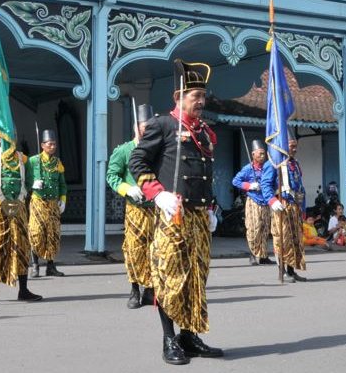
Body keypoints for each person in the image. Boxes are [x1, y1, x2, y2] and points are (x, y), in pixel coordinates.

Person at [129, 59, 223, 365]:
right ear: (178, 97)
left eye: (203, 96)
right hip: (173, 215)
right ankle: (169, 339)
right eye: (195, 96)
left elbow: (205, 174)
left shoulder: (205, 132)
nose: (201, 102)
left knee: (196, 277)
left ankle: (188, 335)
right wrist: (158, 195)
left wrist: (210, 207)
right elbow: (138, 163)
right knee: (170, 277)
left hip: (198, 218)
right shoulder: (162, 125)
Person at [0, 139, 42, 303]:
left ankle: (23, 290)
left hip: (18, 207)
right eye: (5, 136)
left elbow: (30, 180)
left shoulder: (23, 159)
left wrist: (35, 184)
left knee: (22, 247)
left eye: (12, 137)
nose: (10, 140)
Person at [106, 103, 156, 309]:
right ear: (136, 127)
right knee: (134, 249)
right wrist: (127, 188)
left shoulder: (158, 150)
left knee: (156, 250)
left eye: (150, 127)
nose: (147, 130)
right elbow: (111, 175)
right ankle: (135, 290)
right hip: (135, 208)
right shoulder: (124, 150)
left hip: (155, 208)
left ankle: (151, 290)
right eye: (144, 126)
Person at [262, 137, 307, 283]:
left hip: (295, 206)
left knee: (295, 240)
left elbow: (300, 186)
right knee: (282, 239)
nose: (294, 149)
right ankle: (282, 271)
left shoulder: (296, 164)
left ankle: (292, 270)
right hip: (281, 205)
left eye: (295, 146)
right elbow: (266, 184)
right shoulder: (273, 163)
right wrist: (272, 200)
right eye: (291, 146)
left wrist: (303, 208)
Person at [28, 128, 68, 277]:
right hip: (38, 202)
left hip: (52, 203)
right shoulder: (33, 161)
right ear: (42, 145)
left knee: (52, 234)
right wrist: (32, 184)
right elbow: (24, 180)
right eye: (50, 144)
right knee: (36, 232)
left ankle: (51, 265)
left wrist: (62, 200)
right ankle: (35, 265)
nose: (53, 147)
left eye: (54, 144)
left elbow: (62, 184)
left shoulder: (57, 162)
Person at [231, 139, 275, 265]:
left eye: (264, 154)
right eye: (260, 153)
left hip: (266, 201)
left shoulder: (268, 167)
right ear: (253, 154)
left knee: (265, 228)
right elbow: (235, 181)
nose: (262, 156)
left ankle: (263, 255)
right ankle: (253, 254)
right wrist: (249, 185)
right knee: (254, 228)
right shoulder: (247, 169)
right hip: (254, 201)